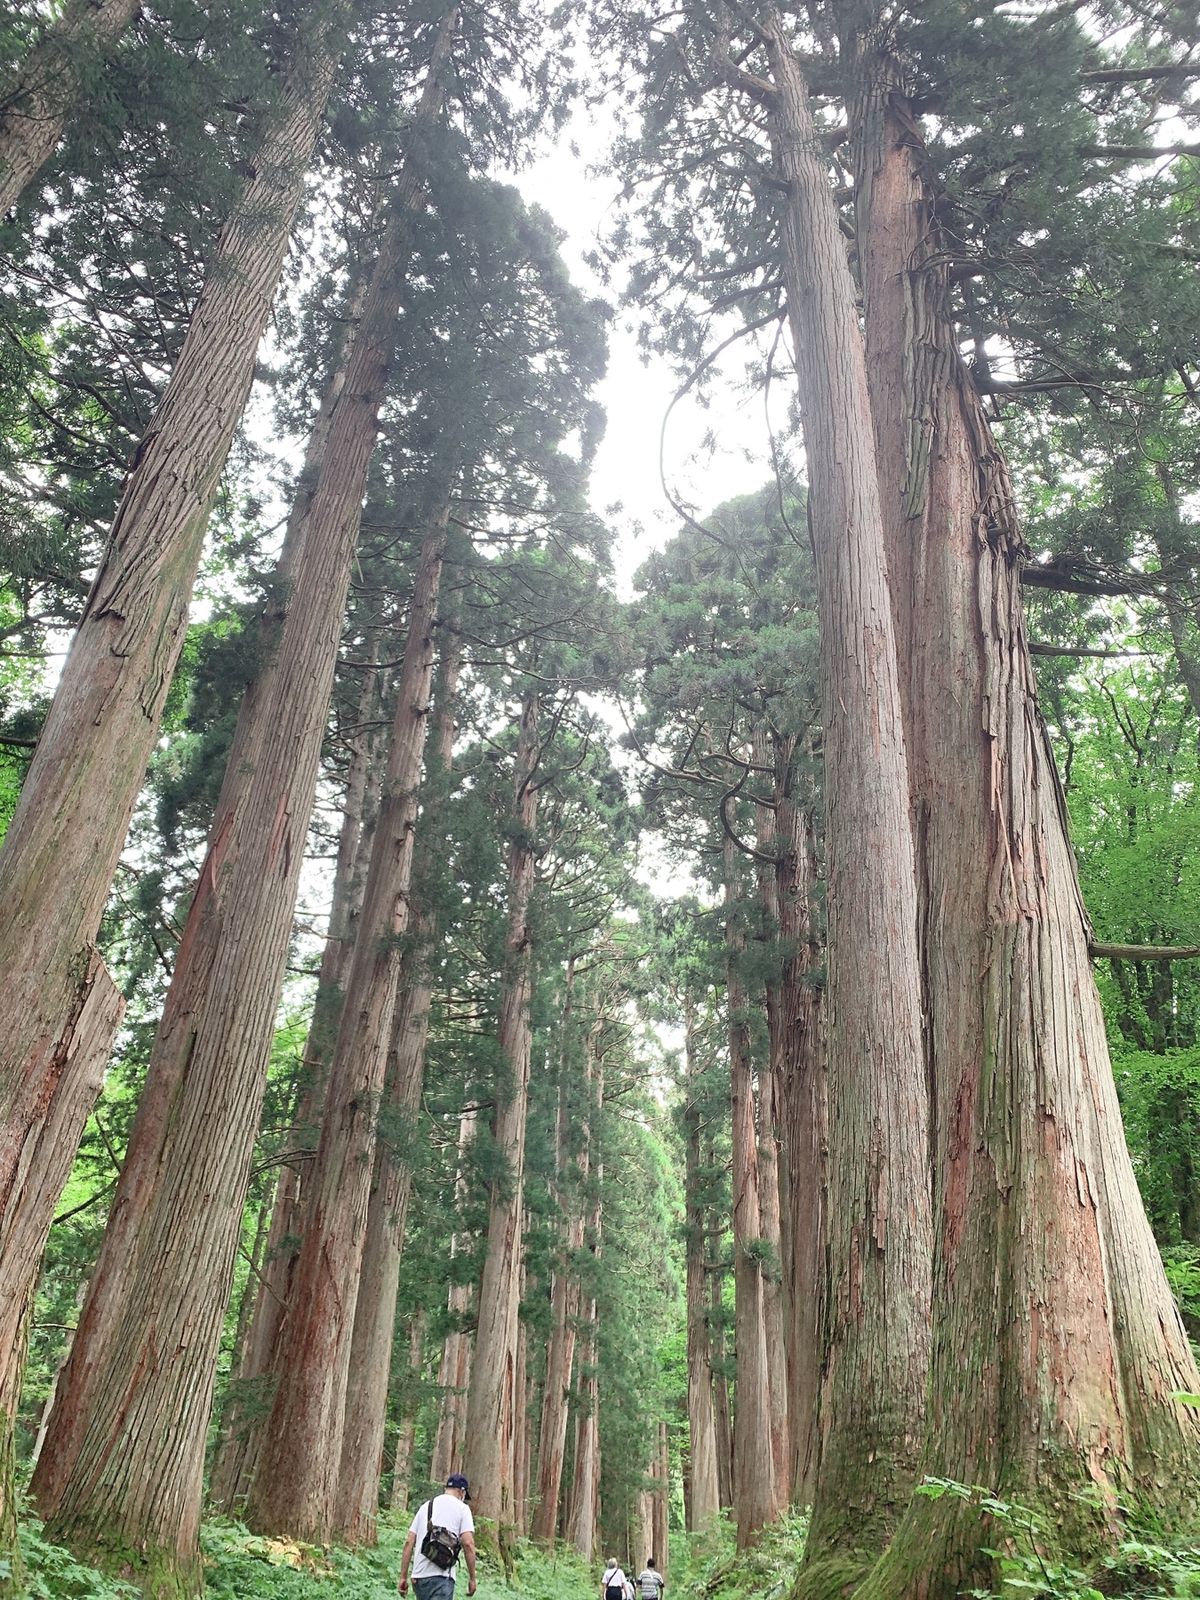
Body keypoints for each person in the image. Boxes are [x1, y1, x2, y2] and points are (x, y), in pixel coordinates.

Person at [398, 1472, 477, 1599]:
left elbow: (409, 1542)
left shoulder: (425, 1506)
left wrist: (403, 1576)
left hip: (419, 1578)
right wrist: (472, 1578)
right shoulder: (462, 1509)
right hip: (442, 1577)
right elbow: (468, 1544)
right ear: (462, 1492)